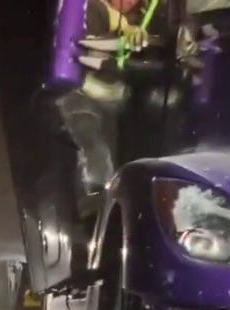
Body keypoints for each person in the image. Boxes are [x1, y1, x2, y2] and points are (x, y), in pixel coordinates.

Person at [55, 0, 163, 214]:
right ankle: (93, 216)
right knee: (95, 155)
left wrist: (129, 30)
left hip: (114, 102)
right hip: (79, 100)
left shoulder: (147, 12)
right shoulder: (86, 8)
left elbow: (118, 21)